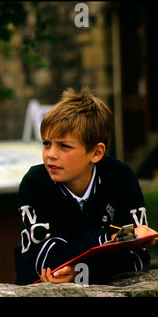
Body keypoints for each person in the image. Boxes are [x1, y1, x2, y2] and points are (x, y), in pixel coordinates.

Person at [14, 87, 157, 285]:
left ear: (96, 153)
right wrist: (111, 239)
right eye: (46, 144)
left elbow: (137, 260)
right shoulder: (35, 183)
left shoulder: (121, 178)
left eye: (64, 146)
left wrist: (81, 270)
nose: (50, 154)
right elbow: (47, 263)